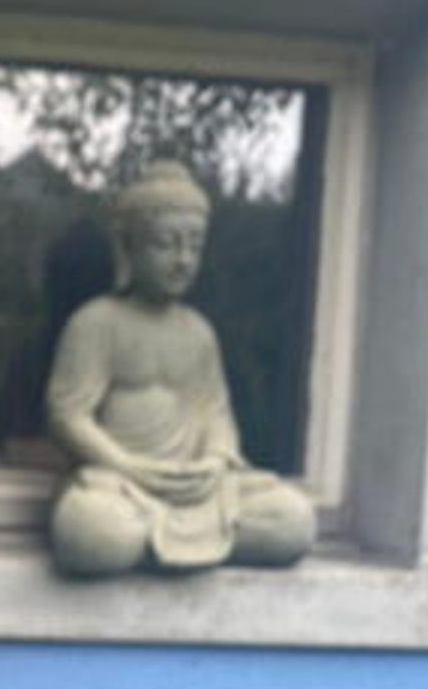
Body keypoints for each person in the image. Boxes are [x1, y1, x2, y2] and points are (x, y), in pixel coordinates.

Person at [45, 160, 315, 576]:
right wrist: (128, 466)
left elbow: (215, 413)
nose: (182, 260)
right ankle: (155, 538)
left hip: (197, 488)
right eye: (166, 244)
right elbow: (68, 415)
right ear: (129, 247)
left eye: (193, 245)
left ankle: (162, 541)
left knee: (293, 519)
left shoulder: (198, 332)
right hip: (123, 484)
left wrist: (213, 460)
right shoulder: (96, 322)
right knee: (92, 531)